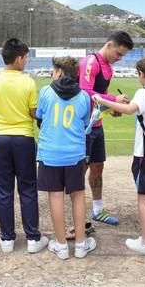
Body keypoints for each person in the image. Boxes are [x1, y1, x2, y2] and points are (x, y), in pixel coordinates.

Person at [0, 38, 48, 254]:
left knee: (3, 188)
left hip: (0, 140)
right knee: (27, 188)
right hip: (24, 139)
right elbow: (33, 113)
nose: (26, 61)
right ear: (19, 59)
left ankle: (7, 238)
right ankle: (33, 238)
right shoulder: (28, 82)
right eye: (25, 58)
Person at [93, 56, 145, 255]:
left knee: (143, 197)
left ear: (141, 74)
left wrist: (102, 100)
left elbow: (129, 109)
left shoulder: (144, 93)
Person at [36, 56, 96, 259]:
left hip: (50, 152)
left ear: (60, 71)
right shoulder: (83, 97)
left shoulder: (45, 91)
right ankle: (80, 244)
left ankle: (61, 245)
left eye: (54, 70)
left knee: (55, 195)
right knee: (78, 195)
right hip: (74, 154)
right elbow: (85, 122)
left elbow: (40, 119)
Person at [78, 30, 134, 226]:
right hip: (83, 127)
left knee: (97, 168)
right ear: (109, 45)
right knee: (80, 170)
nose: (119, 58)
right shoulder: (90, 62)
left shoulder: (108, 68)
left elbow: (102, 93)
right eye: (119, 53)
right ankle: (77, 217)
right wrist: (113, 100)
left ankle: (98, 210)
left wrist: (112, 109)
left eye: (123, 55)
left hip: (97, 124)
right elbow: (85, 93)